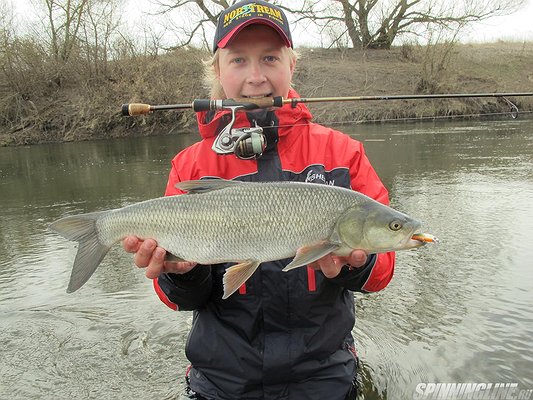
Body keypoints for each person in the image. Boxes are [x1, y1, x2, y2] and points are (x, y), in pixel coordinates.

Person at [123, 1, 395, 399]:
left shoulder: (343, 153)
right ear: (217, 70)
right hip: (222, 383)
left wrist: (352, 267)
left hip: (324, 378)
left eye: (269, 57)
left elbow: (382, 271)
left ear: (291, 65)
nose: (255, 76)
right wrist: (181, 273)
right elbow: (176, 299)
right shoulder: (190, 165)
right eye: (238, 60)